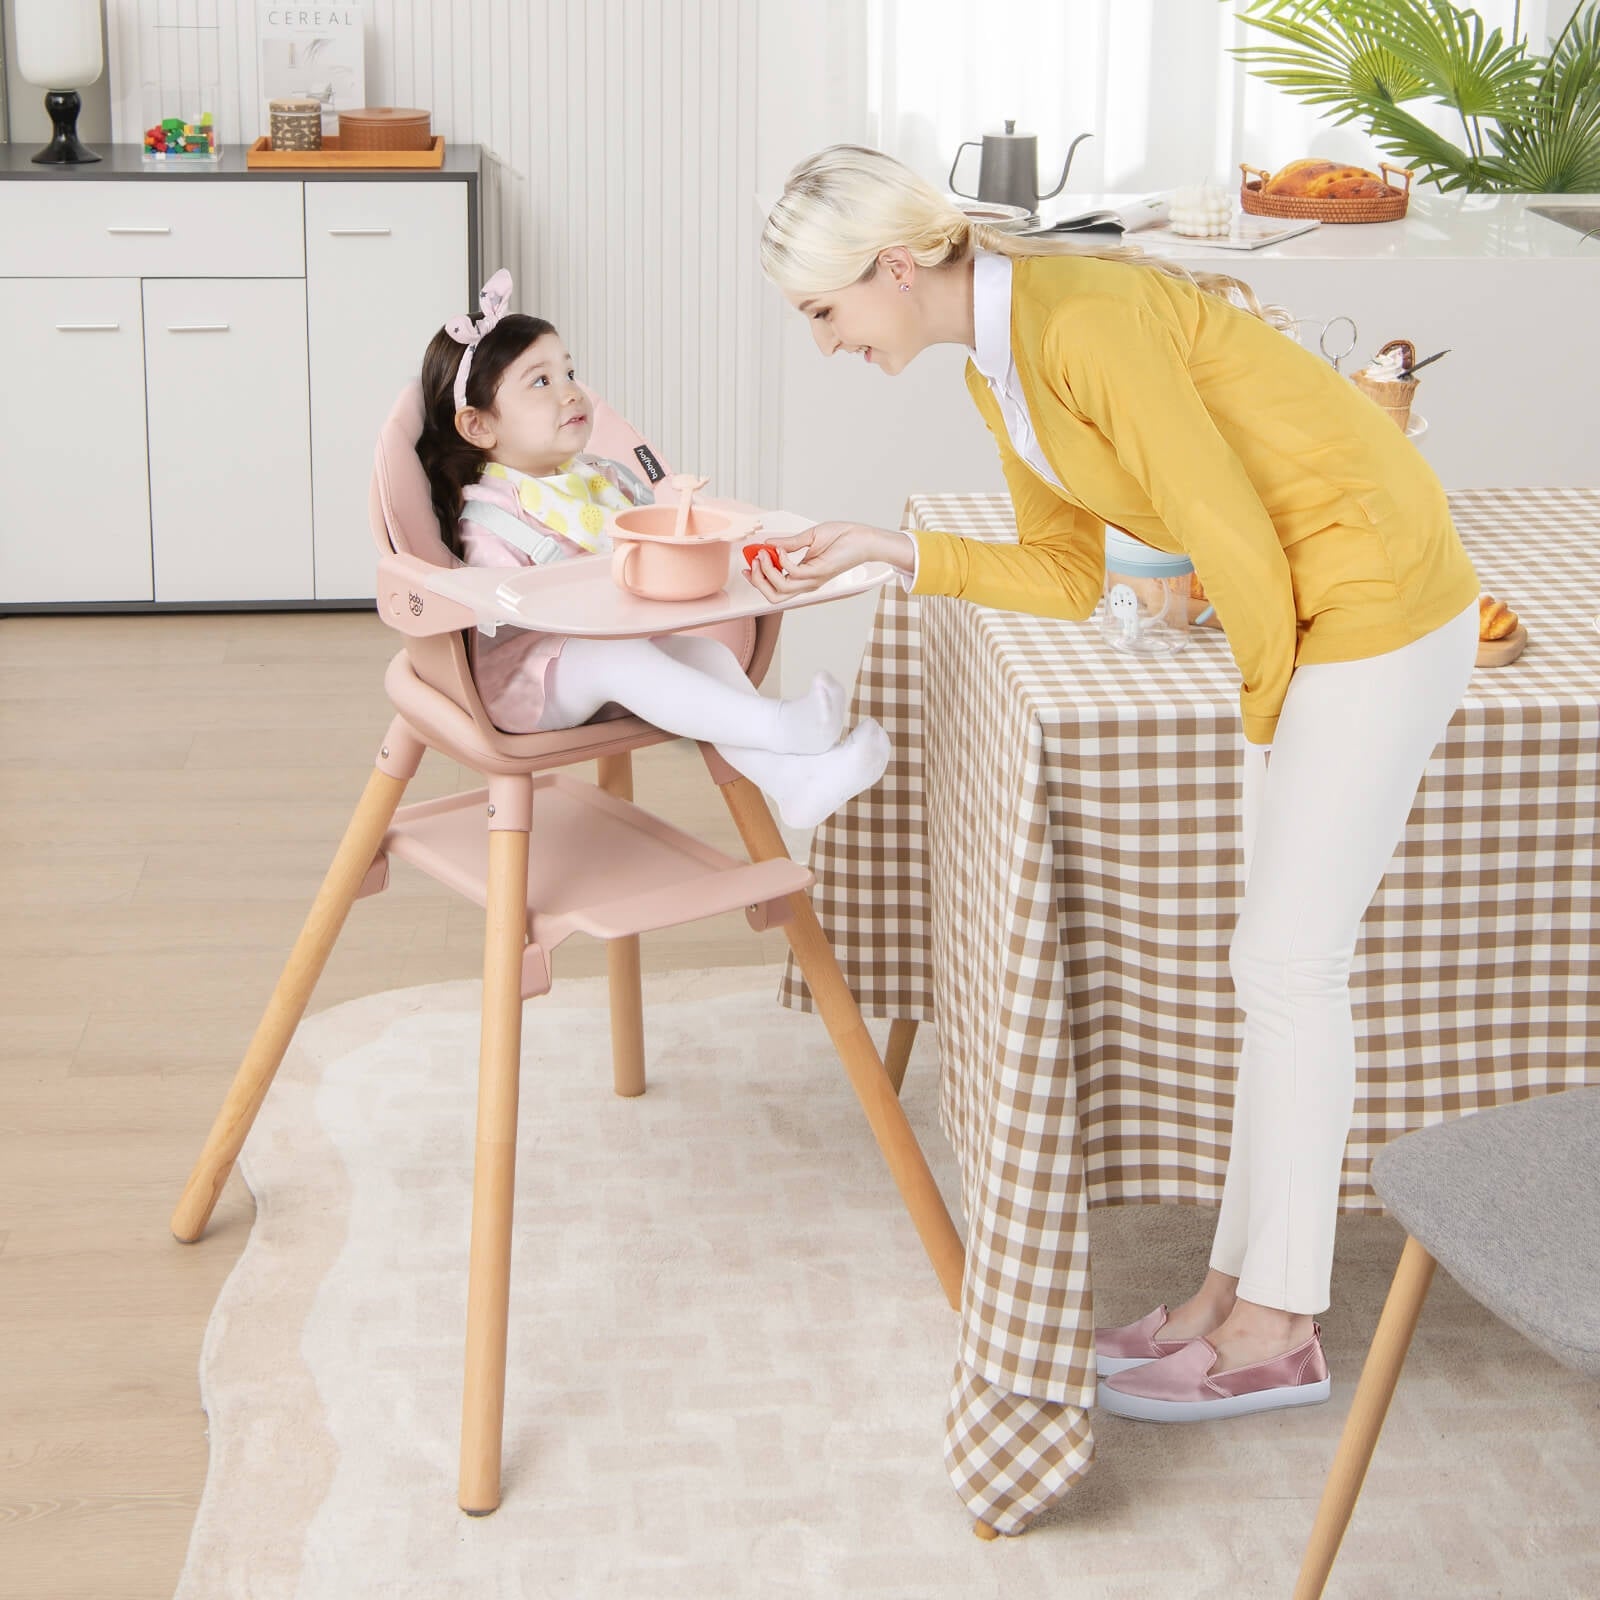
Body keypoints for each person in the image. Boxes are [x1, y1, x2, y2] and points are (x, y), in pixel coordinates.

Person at [749, 145, 1479, 1422]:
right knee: (1276, 964)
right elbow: (1066, 573)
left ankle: (1279, 1327)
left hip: (1373, 599)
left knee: (1290, 967)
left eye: (822, 311)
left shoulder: (1077, 320)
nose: (822, 343)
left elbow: (1229, 532)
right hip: (1313, 615)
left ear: (895, 270)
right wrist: (890, 550)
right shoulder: (1004, 359)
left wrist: (1266, 727)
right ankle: (1228, 1292)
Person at [416, 269, 890, 831]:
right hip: (526, 687)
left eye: (569, 371)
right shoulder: (490, 515)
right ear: (478, 425)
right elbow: (508, 606)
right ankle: (782, 728)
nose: (572, 390)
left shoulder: (592, 478)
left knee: (704, 653)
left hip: (615, 654)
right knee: (613, 655)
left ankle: (795, 784)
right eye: (540, 382)